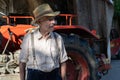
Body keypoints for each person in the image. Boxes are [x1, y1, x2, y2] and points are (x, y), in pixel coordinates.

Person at [19, 3, 68, 80]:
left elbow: (63, 61)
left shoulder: (58, 38)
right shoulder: (29, 38)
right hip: (35, 76)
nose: (54, 22)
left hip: (54, 75)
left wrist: (64, 78)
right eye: (50, 20)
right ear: (39, 22)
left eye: (54, 19)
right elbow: (22, 63)